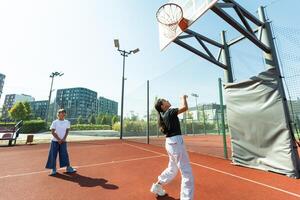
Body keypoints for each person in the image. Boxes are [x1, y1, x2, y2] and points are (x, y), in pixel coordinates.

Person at [150, 95, 194, 200]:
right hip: (175, 143)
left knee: (172, 168)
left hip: (170, 143)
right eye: (165, 100)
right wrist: (183, 98)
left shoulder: (165, 115)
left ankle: (157, 186)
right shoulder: (169, 111)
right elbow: (185, 107)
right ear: (162, 105)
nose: (168, 100)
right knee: (186, 172)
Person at [45, 109, 76, 175]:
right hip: (55, 141)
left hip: (63, 141)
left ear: (65, 114)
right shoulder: (55, 122)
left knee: (65, 154)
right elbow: (53, 132)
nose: (62, 114)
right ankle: (53, 169)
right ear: (58, 114)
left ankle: (68, 168)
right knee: (53, 155)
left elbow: (67, 131)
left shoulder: (67, 122)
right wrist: (58, 139)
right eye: (61, 113)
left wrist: (64, 138)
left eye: (64, 113)